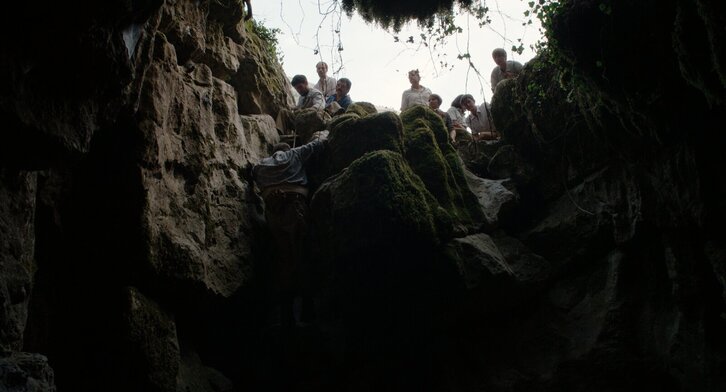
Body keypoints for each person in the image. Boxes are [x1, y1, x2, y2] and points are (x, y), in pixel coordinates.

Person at [251, 134, 328, 327]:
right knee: (303, 254)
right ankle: (307, 306)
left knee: (283, 257)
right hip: (295, 208)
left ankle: (286, 311)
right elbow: (318, 145)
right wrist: (324, 134)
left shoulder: (259, 165)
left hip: (273, 213)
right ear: (286, 150)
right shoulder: (294, 154)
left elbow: (252, 174)